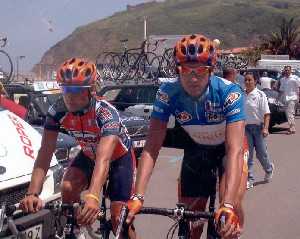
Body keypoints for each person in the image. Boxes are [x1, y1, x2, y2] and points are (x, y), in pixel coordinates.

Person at [126, 34, 248, 239]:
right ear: (177, 69)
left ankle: (236, 228)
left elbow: (234, 150)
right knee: (190, 219)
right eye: (186, 70)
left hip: (228, 149)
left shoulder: (229, 92)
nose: (193, 78)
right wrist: (138, 195)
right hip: (197, 149)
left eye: (200, 70)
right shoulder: (167, 92)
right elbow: (151, 148)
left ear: (211, 70)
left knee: (231, 205)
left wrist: (227, 204)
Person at [19, 58, 137, 238]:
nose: (70, 96)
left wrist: (93, 196)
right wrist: (33, 192)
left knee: (118, 218)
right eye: (65, 89)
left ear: (91, 90)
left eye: (76, 90)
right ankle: (75, 229)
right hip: (89, 154)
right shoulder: (57, 110)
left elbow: (104, 158)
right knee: (67, 187)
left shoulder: (105, 112)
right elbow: (45, 153)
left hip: (118, 158)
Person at [244, 73, 274, 189]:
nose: (247, 82)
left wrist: (265, 128)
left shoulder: (260, 95)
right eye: (246, 80)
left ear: (255, 81)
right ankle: (250, 179)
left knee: (261, 154)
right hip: (246, 129)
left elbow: (267, 114)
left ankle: (269, 169)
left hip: (258, 128)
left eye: (250, 80)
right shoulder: (242, 94)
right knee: (249, 156)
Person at [279, 65, 300, 134]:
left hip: (293, 98)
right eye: (286, 70)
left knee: (290, 113)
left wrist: (298, 96)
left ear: (291, 70)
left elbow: (299, 87)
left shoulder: (295, 78)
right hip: (285, 98)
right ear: (284, 71)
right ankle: (292, 127)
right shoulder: (283, 79)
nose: (287, 71)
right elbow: (281, 90)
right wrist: (278, 98)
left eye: (288, 70)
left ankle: (292, 128)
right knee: (289, 113)